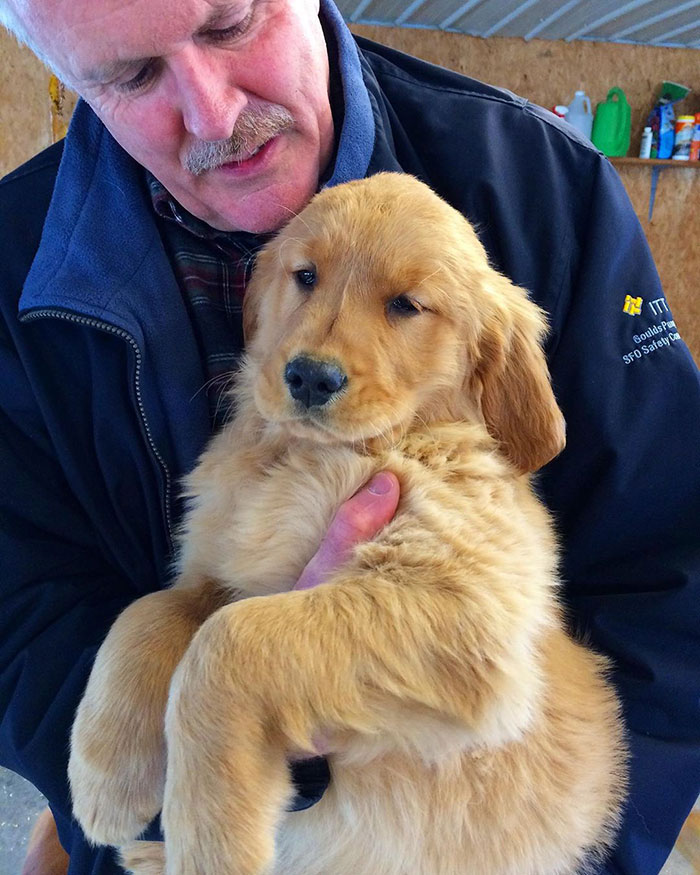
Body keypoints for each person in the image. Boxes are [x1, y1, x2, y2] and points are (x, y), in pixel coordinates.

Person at [0, 1, 698, 873]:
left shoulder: (548, 186)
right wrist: (179, 777)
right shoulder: (12, 260)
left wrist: (594, 854)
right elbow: (19, 609)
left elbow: (673, 569)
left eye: (229, 25)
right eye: (132, 75)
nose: (214, 114)